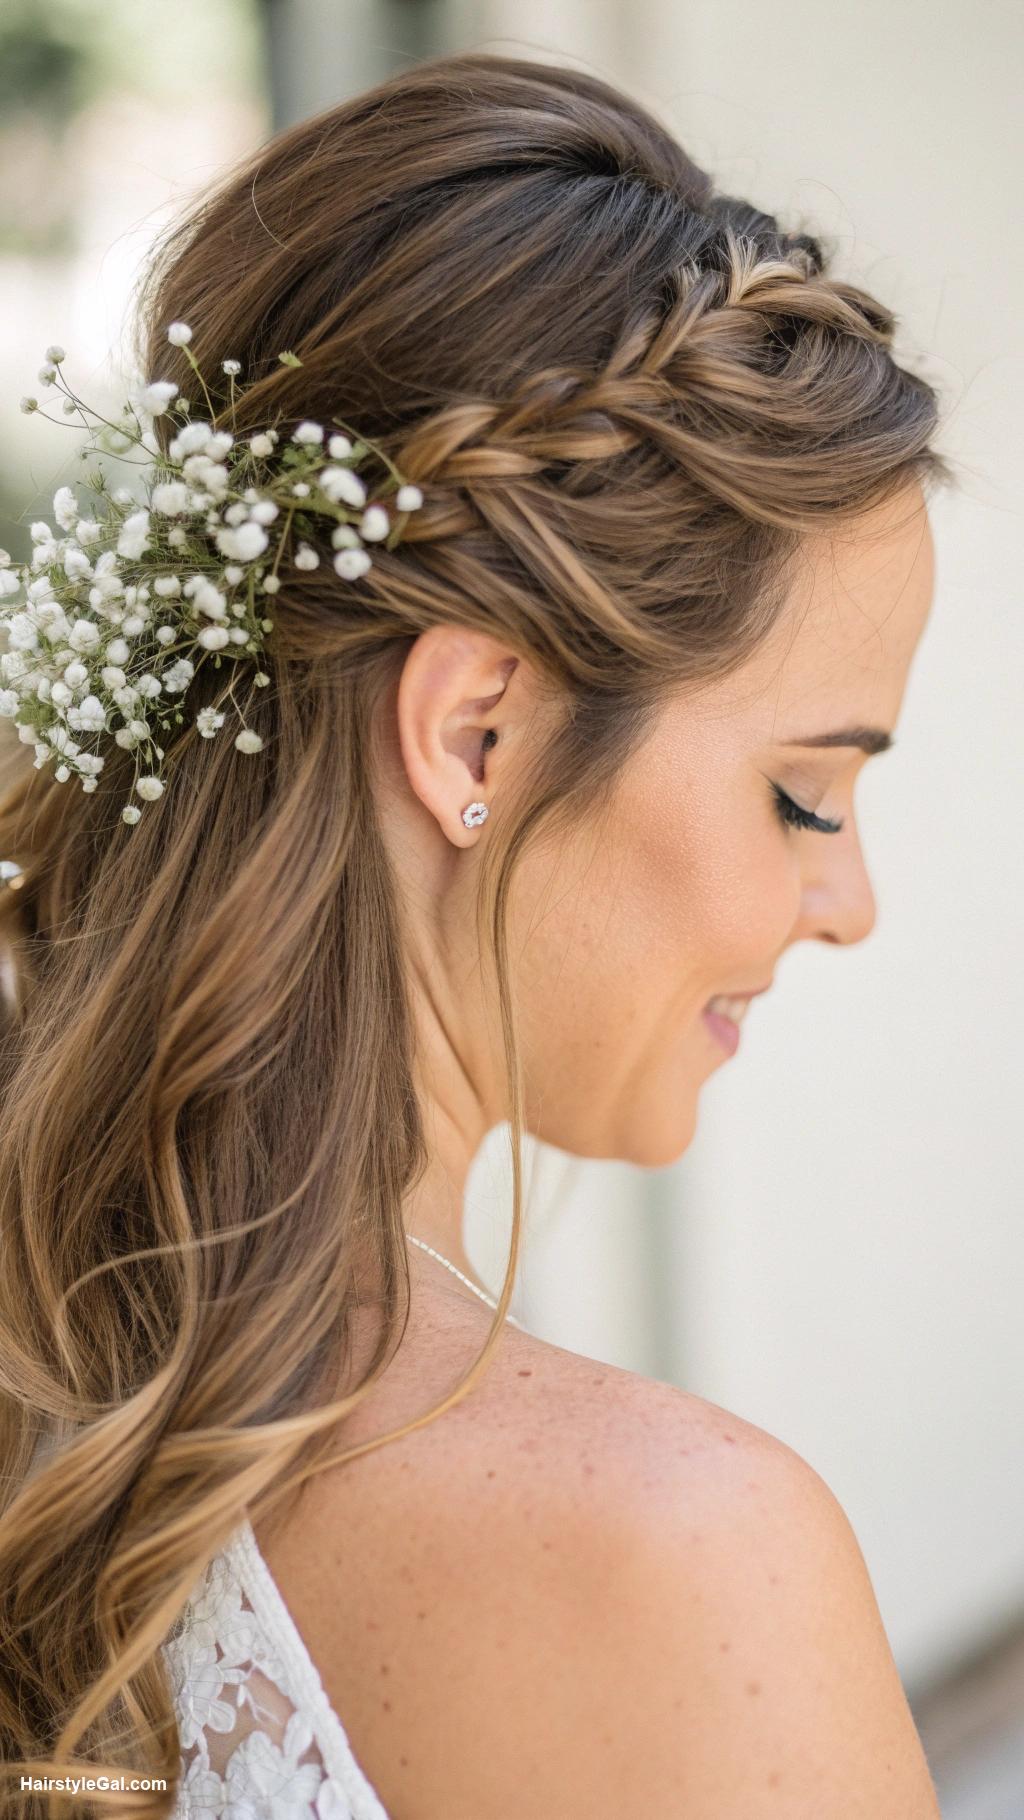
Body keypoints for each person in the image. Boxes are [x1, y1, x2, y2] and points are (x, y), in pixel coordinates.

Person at [0, 48, 949, 1820]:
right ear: (476, 736)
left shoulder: (47, 1378)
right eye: (805, 794)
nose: (850, 902)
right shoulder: (685, 1563)